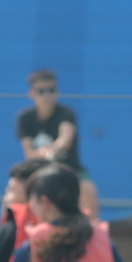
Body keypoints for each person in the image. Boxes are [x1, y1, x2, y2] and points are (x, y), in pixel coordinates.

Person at [16, 68, 100, 219]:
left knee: (88, 189)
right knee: (15, 192)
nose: (47, 95)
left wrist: (52, 150)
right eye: (41, 91)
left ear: (58, 91)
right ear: (32, 94)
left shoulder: (66, 113)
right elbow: (29, 153)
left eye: (51, 90)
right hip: (38, 171)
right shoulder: (25, 117)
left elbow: (65, 139)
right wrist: (43, 154)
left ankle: (93, 231)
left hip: (69, 169)